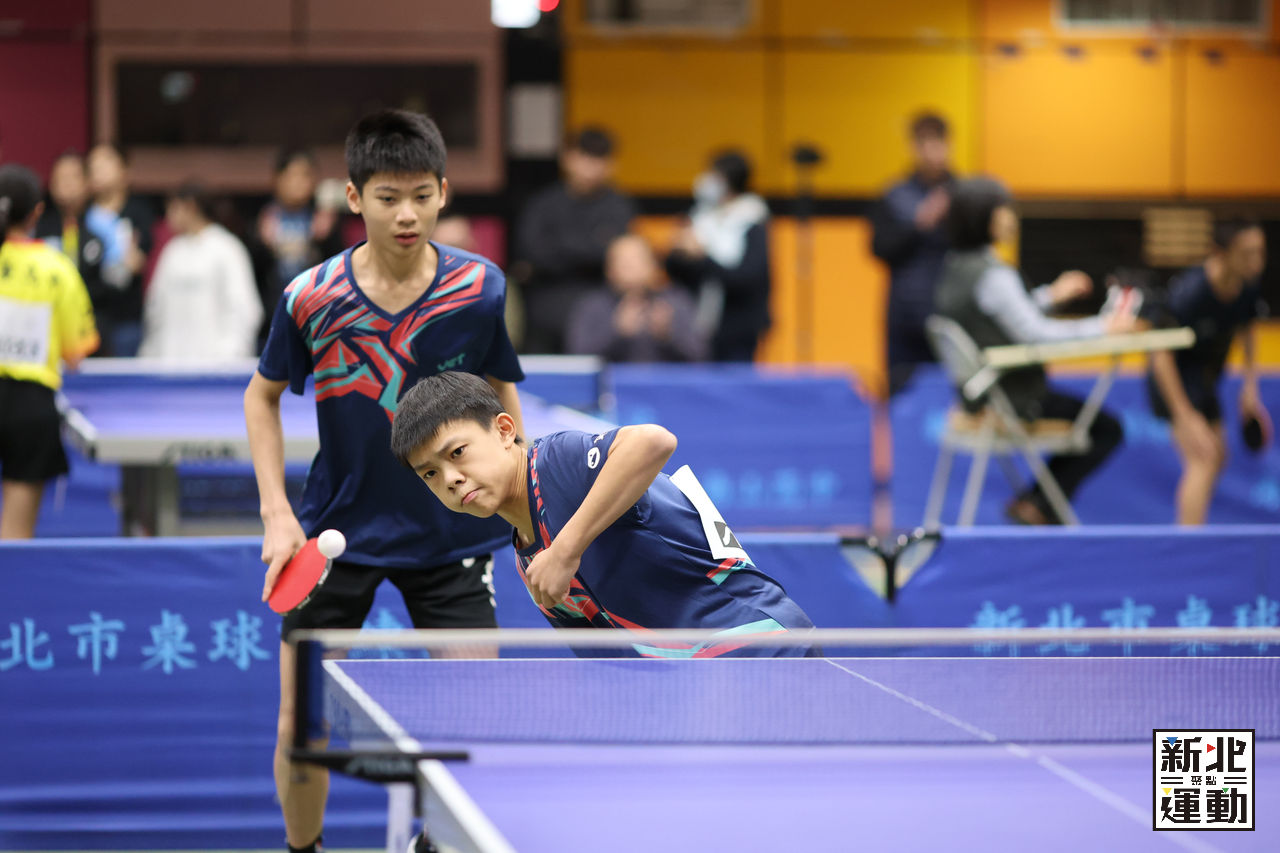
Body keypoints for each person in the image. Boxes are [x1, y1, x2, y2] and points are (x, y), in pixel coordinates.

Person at [243, 109, 524, 853]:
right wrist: (276, 514)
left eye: (422, 196)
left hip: (452, 532)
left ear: (443, 193)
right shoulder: (311, 296)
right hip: (337, 533)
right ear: (353, 196)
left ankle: (432, 846)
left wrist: (523, 505)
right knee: (300, 727)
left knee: (478, 724)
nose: (407, 214)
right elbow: (260, 398)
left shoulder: (479, 287)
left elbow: (500, 390)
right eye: (389, 197)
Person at [390, 371, 814, 656]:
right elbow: (610, 662)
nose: (450, 478)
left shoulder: (556, 463)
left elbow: (653, 441)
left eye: (457, 453)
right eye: (430, 474)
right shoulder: (529, 558)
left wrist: (565, 551)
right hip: (700, 684)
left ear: (504, 430)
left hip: (761, 645)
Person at [934, 177, 1134, 525]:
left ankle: (1035, 502)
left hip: (979, 397)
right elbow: (1036, 335)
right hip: (1017, 399)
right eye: (1004, 209)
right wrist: (1104, 327)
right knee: (1108, 429)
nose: (1012, 217)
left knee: (1097, 425)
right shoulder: (994, 275)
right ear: (984, 217)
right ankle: (1039, 503)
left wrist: (1050, 296)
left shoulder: (955, 266)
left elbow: (997, 315)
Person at [1147, 219, 1270, 525]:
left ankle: (1194, 528)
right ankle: (1188, 543)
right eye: (1246, 253)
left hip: (1204, 380)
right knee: (1202, 458)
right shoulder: (1191, 292)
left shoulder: (1247, 286)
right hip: (1172, 380)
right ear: (1220, 253)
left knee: (1219, 456)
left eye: (1260, 252)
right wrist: (1183, 414)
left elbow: (1248, 330)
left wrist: (1250, 388)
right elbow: (1160, 355)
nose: (1256, 262)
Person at [0, 164, 99, 538]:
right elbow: (76, 353)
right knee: (14, 537)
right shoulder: (56, 268)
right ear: (37, 212)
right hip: (30, 407)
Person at [514, 127, 636, 354]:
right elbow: (533, 252)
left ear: (611, 165)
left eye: (598, 159)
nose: (590, 167)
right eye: (585, 156)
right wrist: (592, 245)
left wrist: (561, 246)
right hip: (546, 299)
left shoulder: (618, 206)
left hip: (602, 302)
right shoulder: (543, 203)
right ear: (567, 158)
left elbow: (617, 254)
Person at [872, 112, 959, 396]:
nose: (931, 151)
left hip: (952, 311)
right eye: (924, 143)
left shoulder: (964, 194)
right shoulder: (894, 194)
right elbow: (879, 249)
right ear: (913, 147)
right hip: (905, 313)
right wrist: (920, 223)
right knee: (901, 393)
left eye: (938, 142)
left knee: (956, 394)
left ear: (949, 144)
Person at [665, 150, 771, 362]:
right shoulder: (699, 215)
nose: (707, 181)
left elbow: (747, 277)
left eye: (715, 175)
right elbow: (673, 268)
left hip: (737, 326)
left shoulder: (752, 220)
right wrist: (679, 251)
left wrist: (702, 257)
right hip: (695, 320)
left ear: (729, 181)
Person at [138, 182, 262, 361]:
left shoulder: (227, 248)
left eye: (173, 209)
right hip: (171, 363)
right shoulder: (172, 251)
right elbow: (156, 309)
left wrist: (231, 356)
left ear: (191, 207)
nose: (168, 217)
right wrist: (151, 354)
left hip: (218, 366)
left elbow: (244, 308)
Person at [251, 148, 344, 344]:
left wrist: (325, 240)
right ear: (278, 179)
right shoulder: (263, 219)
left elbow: (341, 272)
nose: (298, 182)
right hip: (272, 321)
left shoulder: (323, 220)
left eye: (305, 175)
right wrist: (262, 245)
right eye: (291, 175)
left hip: (317, 321)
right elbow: (251, 275)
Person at [566, 234, 707, 363]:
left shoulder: (675, 302)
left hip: (667, 382)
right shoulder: (592, 305)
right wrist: (617, 333)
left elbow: (700, 357)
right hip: (610, 382)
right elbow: (578, 360)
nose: (630, 267)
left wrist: (667, 336)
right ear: (609, 270)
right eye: (622, 261)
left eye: (637, 260)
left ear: (653, 266)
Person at [84, 142, 154, 357]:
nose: (99, 170)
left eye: (106, 162)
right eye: (93, 166)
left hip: (127, 319)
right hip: (88, 317)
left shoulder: (139, 213)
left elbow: (142, 260)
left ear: (124, 170)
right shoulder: (82, 217)